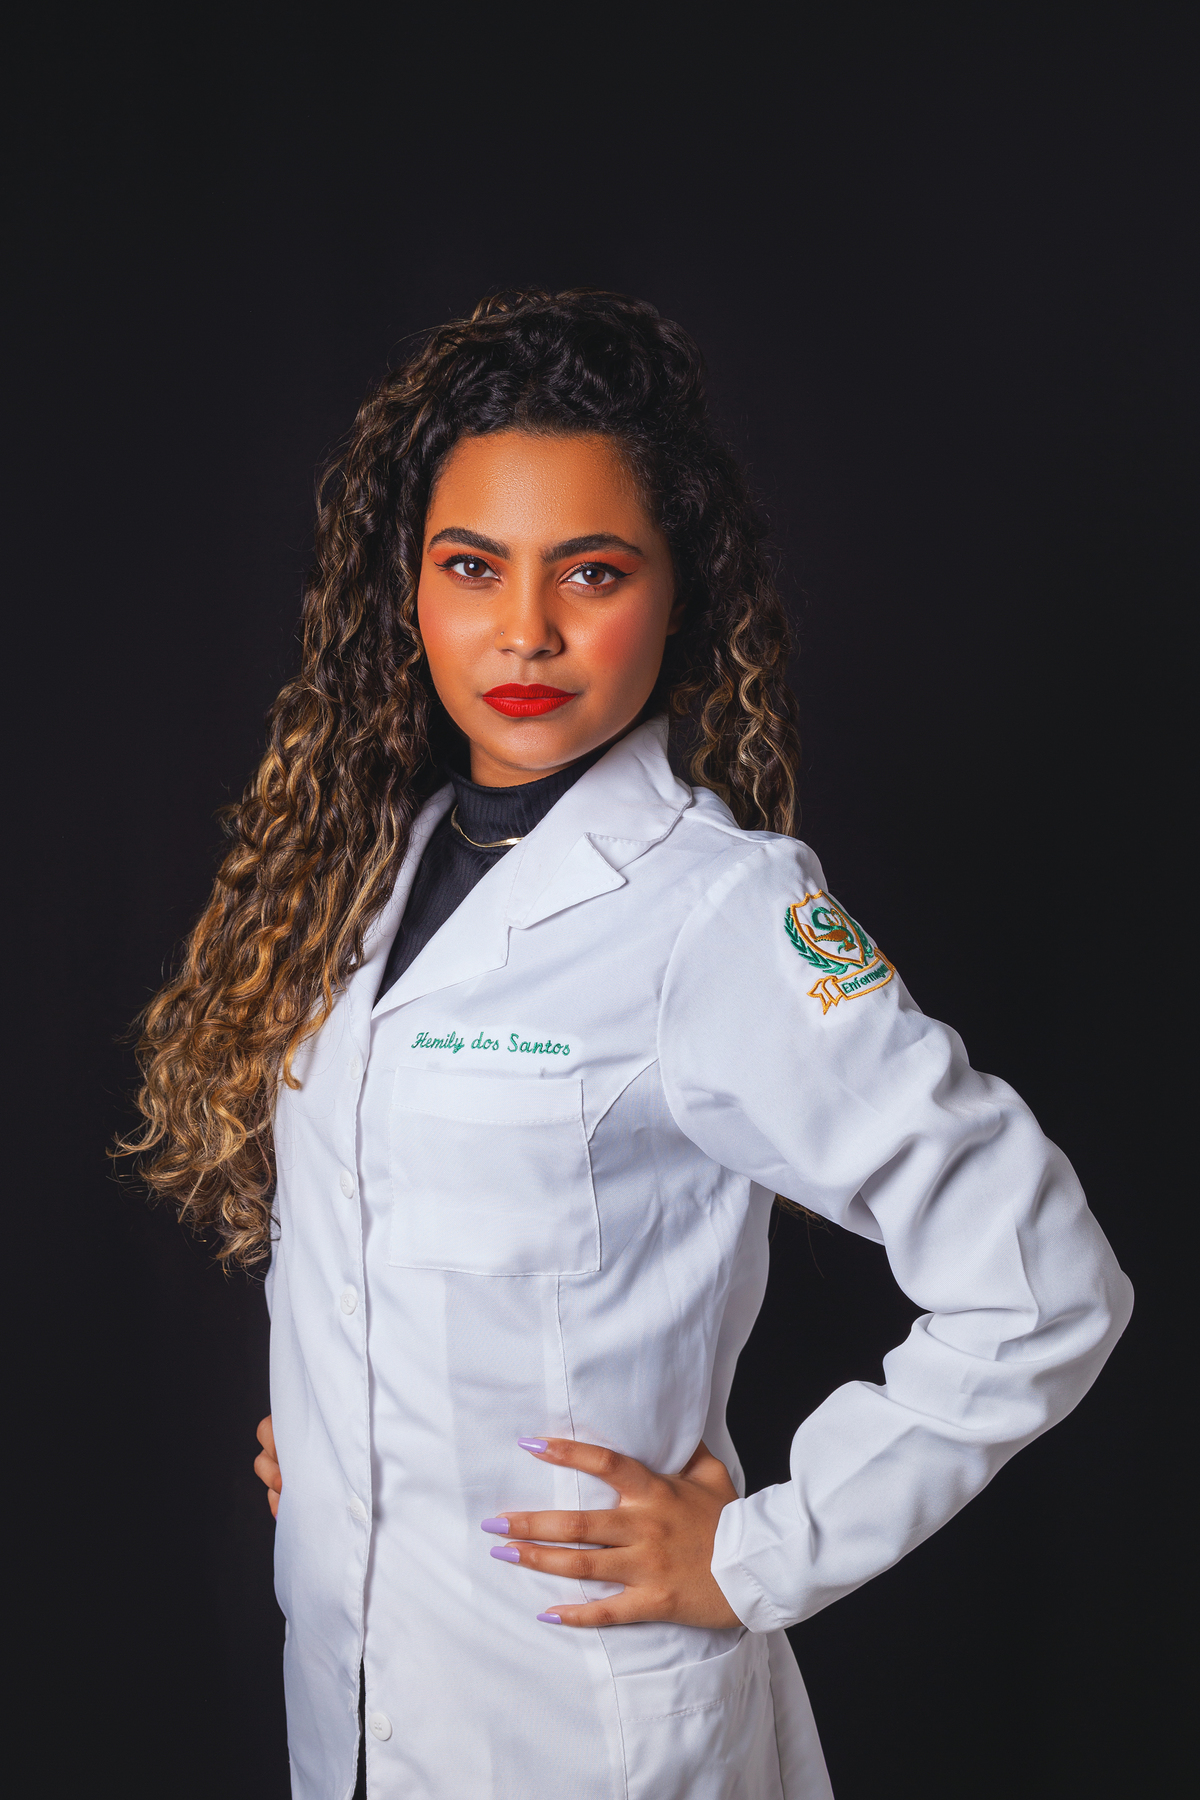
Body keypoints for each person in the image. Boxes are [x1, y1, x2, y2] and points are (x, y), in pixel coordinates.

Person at [124, 291, 1132, 1800]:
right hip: (353, 1704)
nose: (524, 631)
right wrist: (347, 1434)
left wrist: (759, 1551)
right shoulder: (356, 872)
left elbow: (1045, 1286)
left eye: (590, 572)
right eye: (472, 567)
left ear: (679, 589)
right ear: (407, 588)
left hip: (592, 1736)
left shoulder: (716, 913)